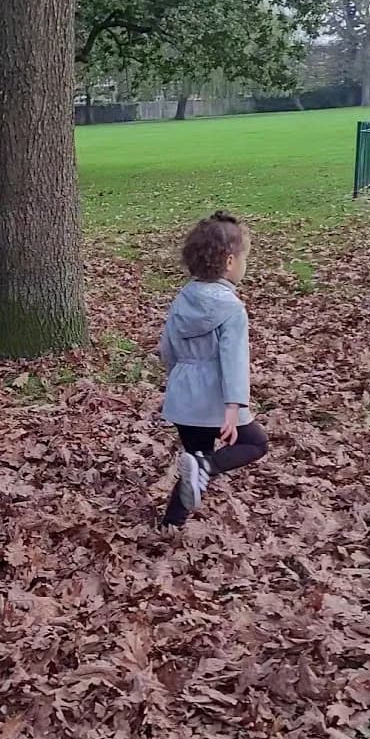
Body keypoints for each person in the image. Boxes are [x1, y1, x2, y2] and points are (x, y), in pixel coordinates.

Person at [158, 210, 268, 528]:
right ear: (230, 262)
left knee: (195, 463)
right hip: (216, 398)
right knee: (255, 444)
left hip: (184, 396)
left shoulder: (183, 298)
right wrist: (234, 407)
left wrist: (179, 378)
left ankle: (171, 524)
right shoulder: (232, 308)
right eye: (245, 258)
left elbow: (167, 348)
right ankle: (205, 467)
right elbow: (234, 360)